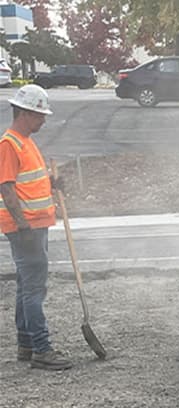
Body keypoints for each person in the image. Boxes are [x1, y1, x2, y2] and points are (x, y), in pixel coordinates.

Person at [0, 85, 72, 370]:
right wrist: (22, 225)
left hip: (35, 223)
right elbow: (6, 187)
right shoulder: (9, 144)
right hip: (25, 227)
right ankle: (42, 349)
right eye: (40, 115)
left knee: (26, 285)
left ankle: (26, 344)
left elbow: (26, 181)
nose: (44, 120)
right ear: (26, 113)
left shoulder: (26, 141)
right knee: (34, 288)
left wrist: (52, 184)